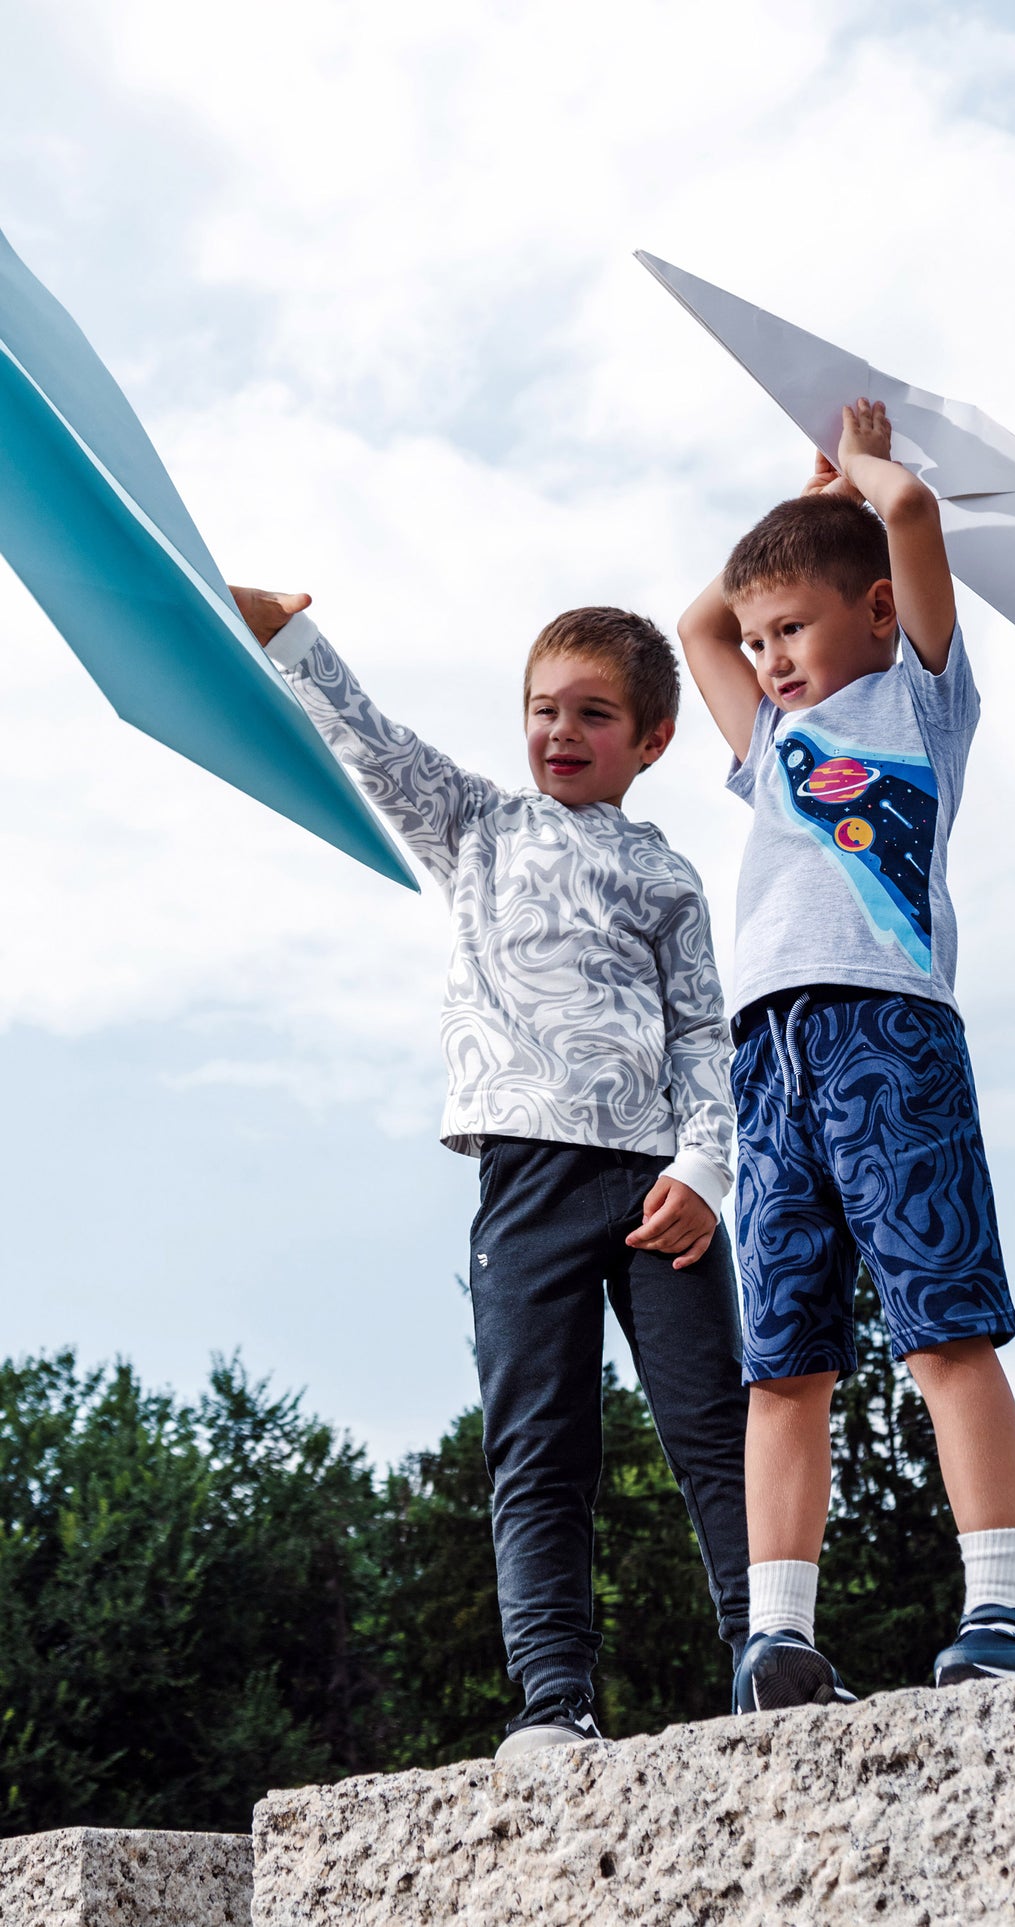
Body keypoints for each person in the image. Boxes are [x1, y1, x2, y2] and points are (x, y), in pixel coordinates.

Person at [231, 588, 750, 1757]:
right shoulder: (476, 826)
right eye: (541, 710)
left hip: (659, 1190)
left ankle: (766, 1652)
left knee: (712, 1424)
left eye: (593, 715)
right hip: (523, 1192)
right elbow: (372, 740)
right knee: (538, 1442)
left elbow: (706, 1038)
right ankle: (552, 1700)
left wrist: (707, 1169)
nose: (560, 732)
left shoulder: (667, 875)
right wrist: (289, 638)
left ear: (652, 740)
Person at [677, 399, 1015, 1713]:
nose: (767, 654)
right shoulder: (770, 750)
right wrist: (792, 506)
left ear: (877, 615)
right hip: (768, 1051)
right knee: (782, 1359)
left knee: (942, 1324)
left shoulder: (919, 704)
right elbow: (695, 627)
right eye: (762, 637)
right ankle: (776, 1637)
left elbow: (908, 518)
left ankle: (1002, 1605)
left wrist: (852, 482)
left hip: (886, 1037)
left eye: (792, 628)